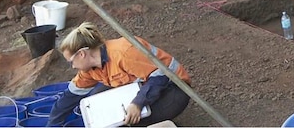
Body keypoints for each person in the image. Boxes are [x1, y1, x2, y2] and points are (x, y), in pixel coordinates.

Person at [46, 22, 191, 127]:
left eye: (71, 62)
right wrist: (52, 124)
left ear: (82, 54)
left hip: (174, 88)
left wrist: (137, 103)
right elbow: (71, 95)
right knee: (95, 100)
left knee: (129, 121)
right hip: (146, 86)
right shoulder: (90, 69)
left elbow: (161, 76)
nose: (72, 66)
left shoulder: (123, 53)